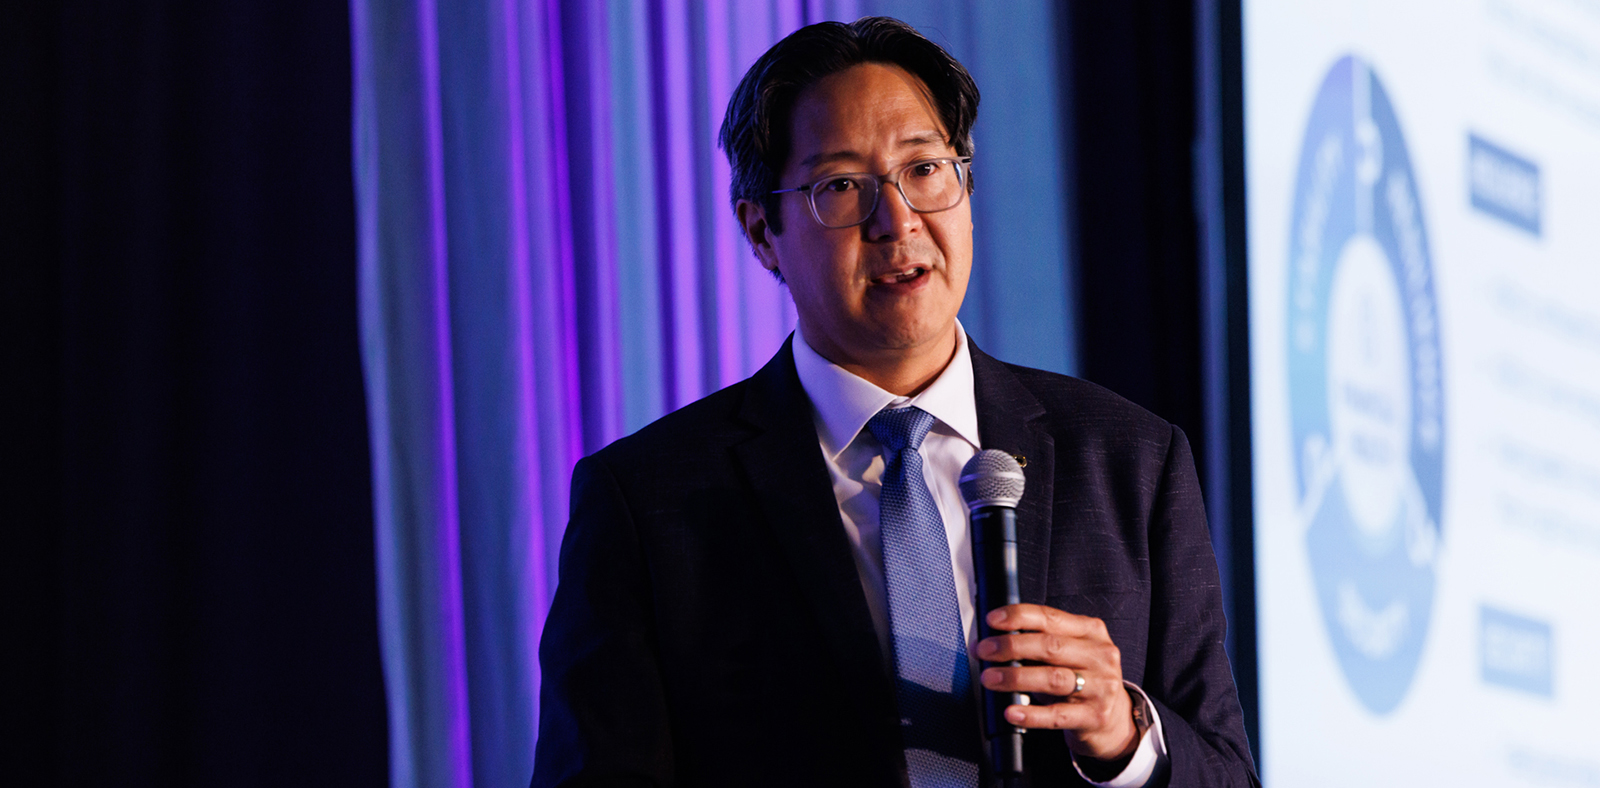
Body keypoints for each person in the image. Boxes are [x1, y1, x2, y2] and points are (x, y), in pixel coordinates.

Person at [532, 17, 1257, 788]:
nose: (898, 221)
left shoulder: (1131, 459)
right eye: (841, 186)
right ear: (761, 232)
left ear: (967, 187)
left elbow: (1227, 772)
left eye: (925, 169)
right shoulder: (649, 502)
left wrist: (1124, 734)